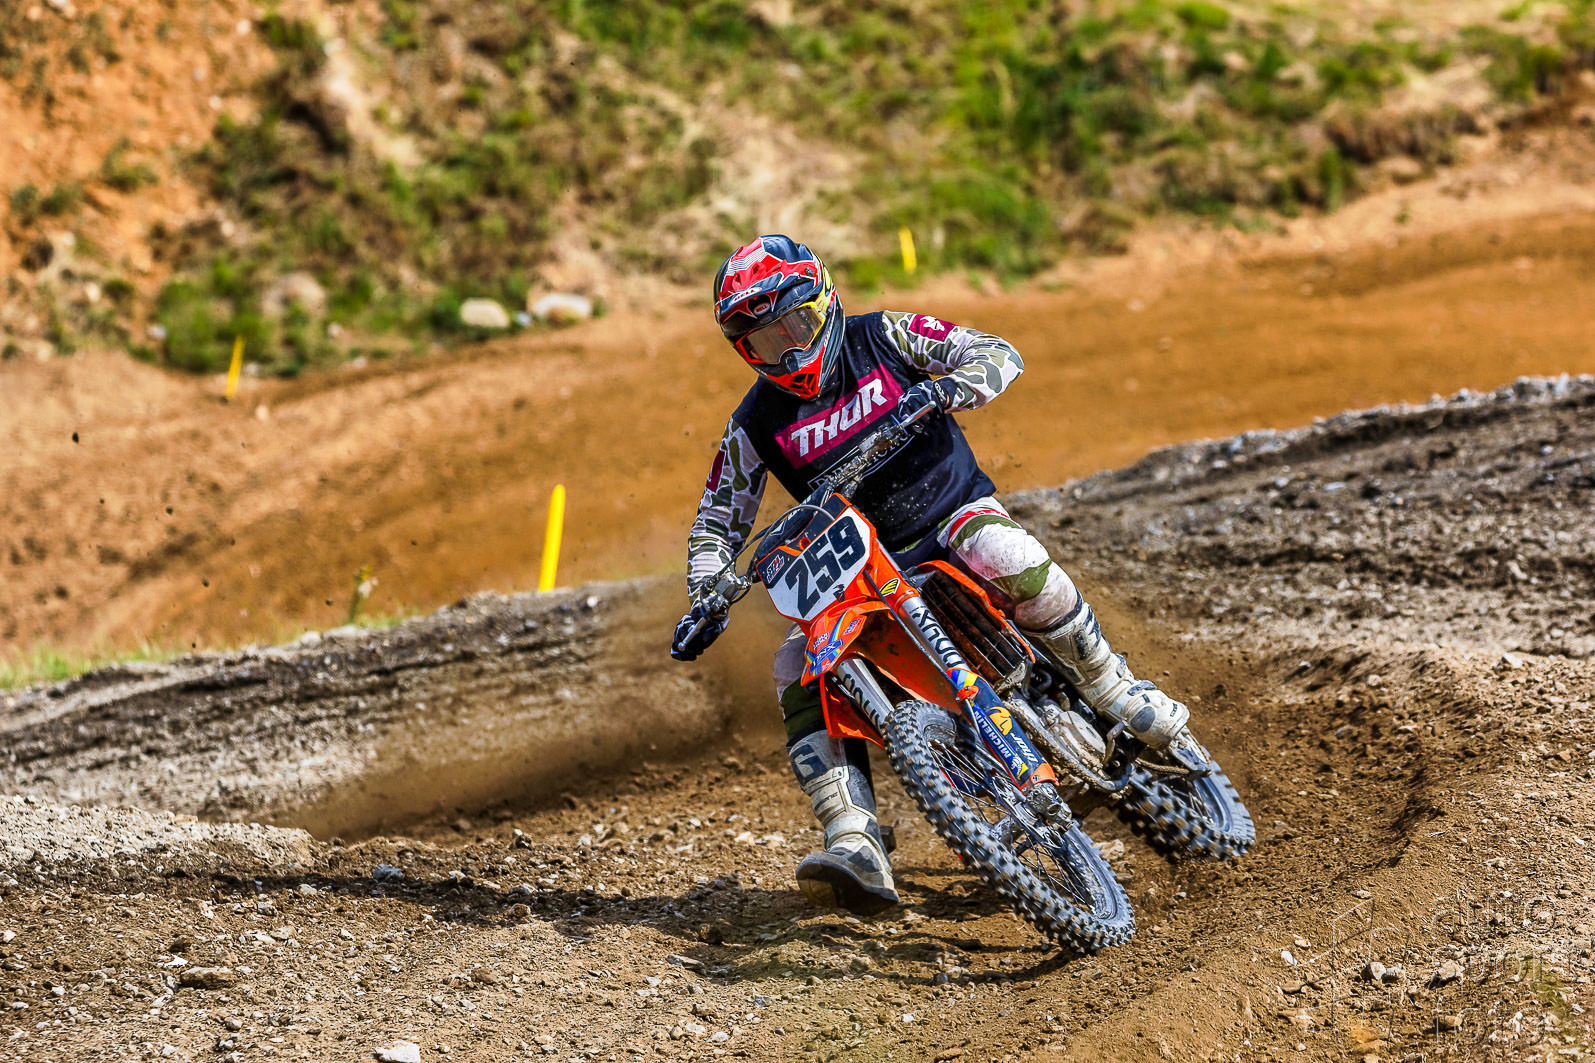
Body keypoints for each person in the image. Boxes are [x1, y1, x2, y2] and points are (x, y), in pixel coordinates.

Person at [670, 235, 1205, 915]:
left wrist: (949, 387)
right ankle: (853, 836)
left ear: (824, 301)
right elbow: (717, 522)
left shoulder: (884, 336)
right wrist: (707, 589)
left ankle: (1112, 685)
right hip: (861, 567)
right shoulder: (752, 425)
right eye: (763, 343)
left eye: (795, 327)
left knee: (1003, 553)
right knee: (795, 664)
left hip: (951, 516)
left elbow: (996, 352)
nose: (787, 351)